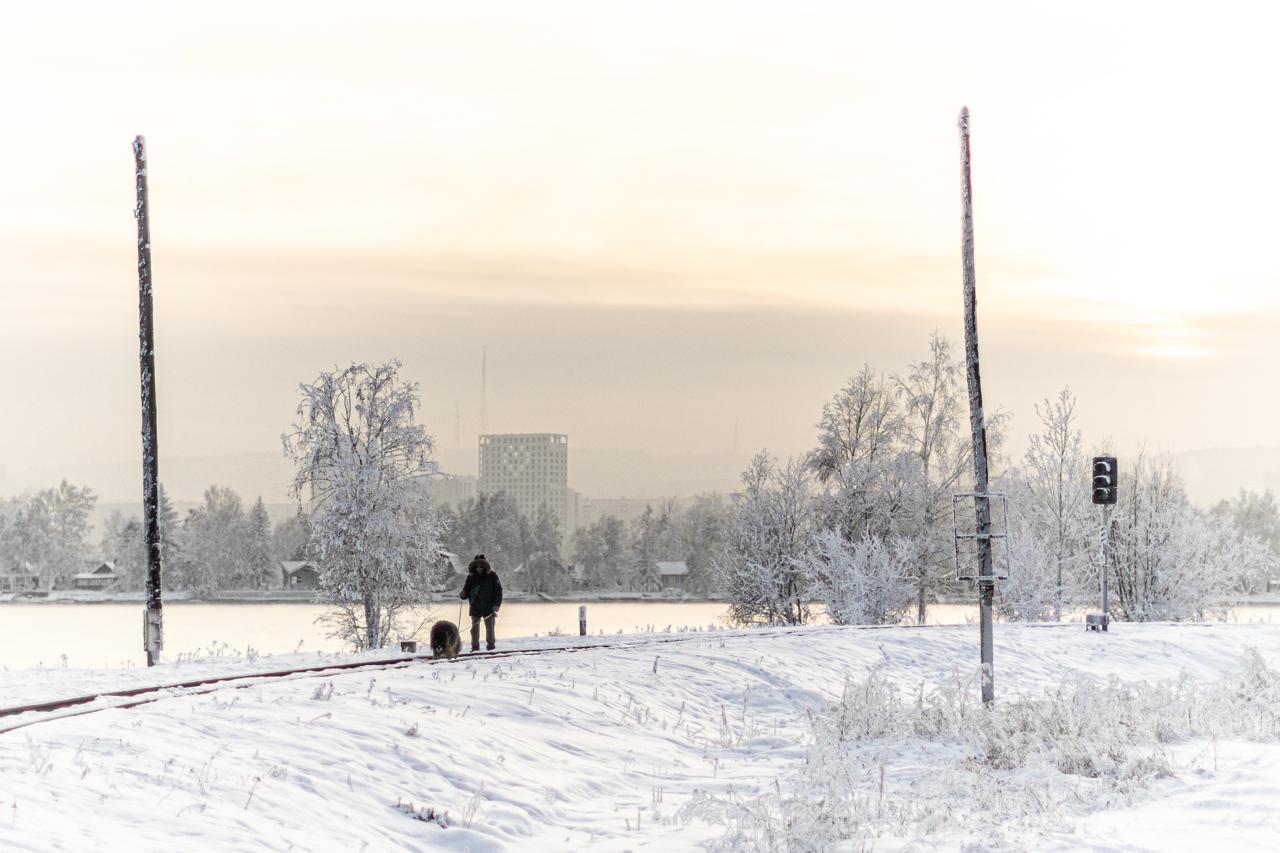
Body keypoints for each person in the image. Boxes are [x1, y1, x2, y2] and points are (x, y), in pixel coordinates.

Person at [459, 554, 503, 651]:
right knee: (474, 629)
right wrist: (463, 594)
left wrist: (497, 605)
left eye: (481, 565)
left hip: (489, 607)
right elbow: (466, 591)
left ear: (485, 565)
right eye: (477, 566)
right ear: (474, 566)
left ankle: (491, 646)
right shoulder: (470, 577)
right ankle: (475, 647)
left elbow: (499, 591)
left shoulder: (492, 575)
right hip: (475, 607)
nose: (479, 567)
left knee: (490, 628)